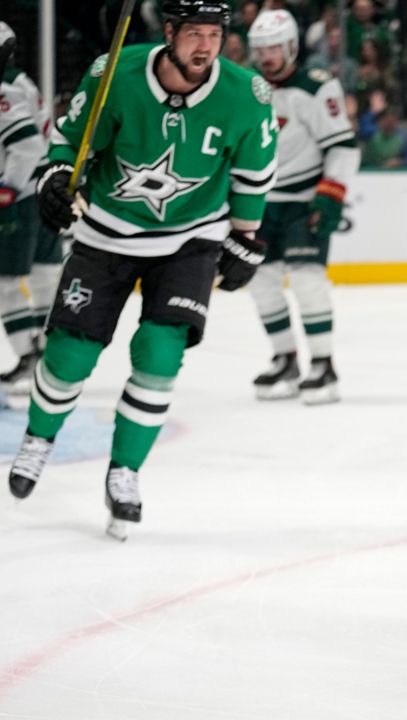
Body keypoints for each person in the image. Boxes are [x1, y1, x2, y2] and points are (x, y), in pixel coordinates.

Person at [8, 0, 277, 539]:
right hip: (108, 231)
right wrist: (58, 175)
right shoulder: (116, 74)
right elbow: (70, 141)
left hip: (190, 239)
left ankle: (125, 471)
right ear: (169, 32)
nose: (205, 46)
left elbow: (252, 174)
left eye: (215, 34)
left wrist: (246, 239)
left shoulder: (245, 95)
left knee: (160, 353)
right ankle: (39, 438)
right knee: (69, 353)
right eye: (194, 33)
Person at [246, 8, 358, 404]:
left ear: (292, 46)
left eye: (275, 47)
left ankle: (323, 365)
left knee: (308, 280)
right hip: (258, 203)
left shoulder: (315, 87)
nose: (268, 56)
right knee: (261, 280)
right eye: (260, 49)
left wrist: (330, 197)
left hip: (303, 202)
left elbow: (343, 147)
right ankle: (285, 358)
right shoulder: (245, 87)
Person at [0, 22, 63, 404]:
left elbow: (24, 145)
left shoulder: (4, 91)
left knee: (6, 284)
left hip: (20, 198)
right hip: (42, 191)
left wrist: (7, 186)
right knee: (44, 278)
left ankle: (28, 355)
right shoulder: (20, 81)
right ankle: (50, 359)